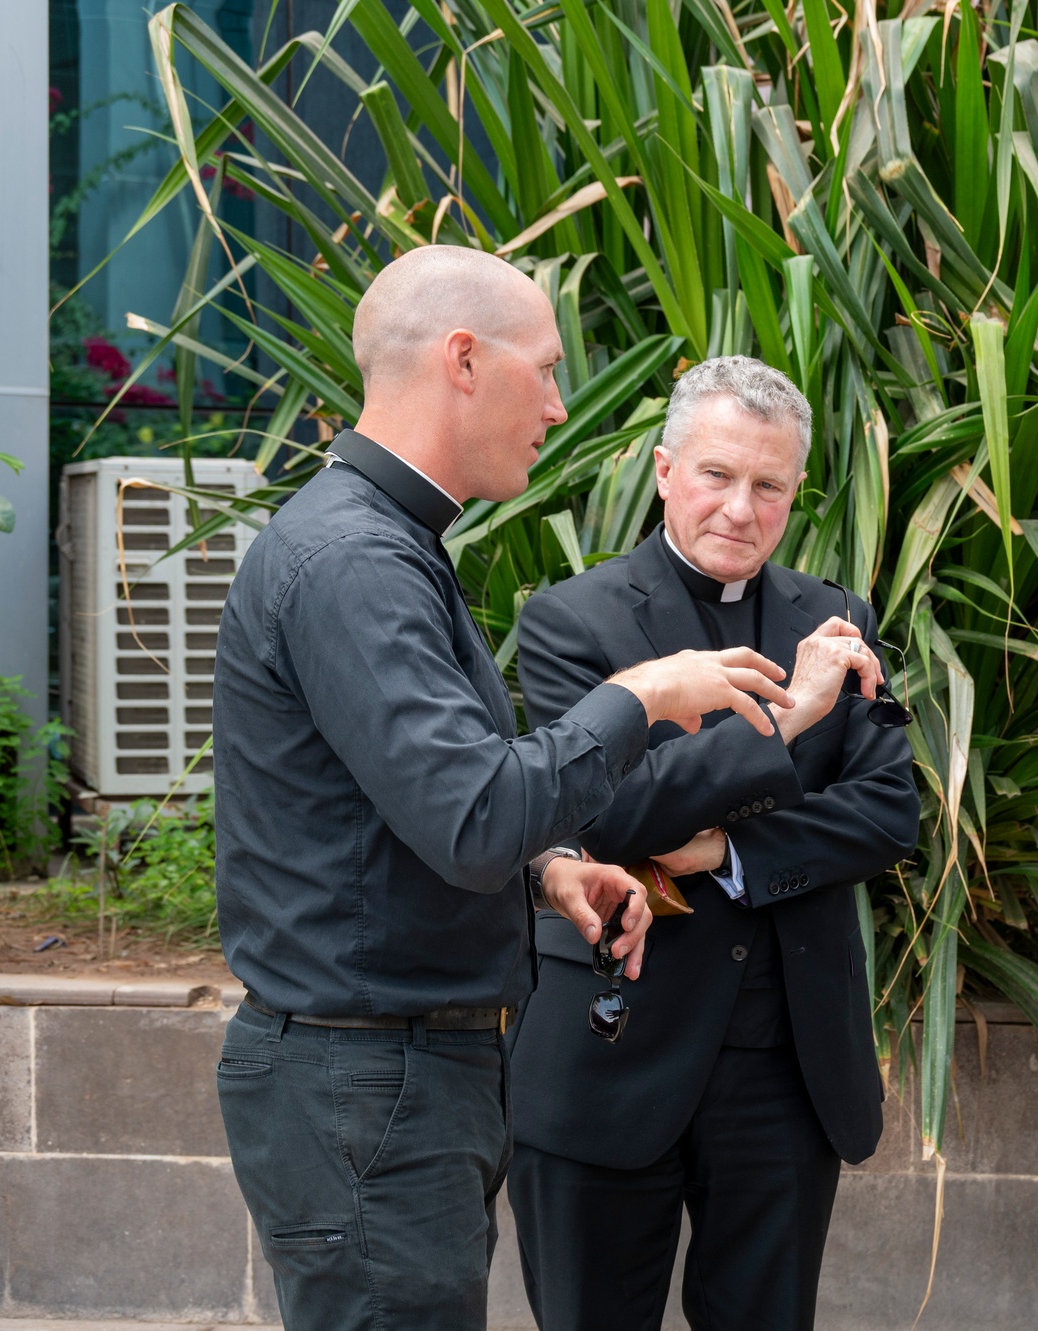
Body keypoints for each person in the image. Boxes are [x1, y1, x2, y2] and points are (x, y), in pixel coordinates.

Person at [212, 247, 795, 1331]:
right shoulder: (355, 560)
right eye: (546, 368)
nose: (559, 404)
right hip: (370, 1076)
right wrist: (641, 696)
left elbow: (402, 815)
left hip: (384, 1075)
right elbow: (473, 814)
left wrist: (548, 870)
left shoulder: (381, 544)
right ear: (464, 361)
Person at [504, 356, 921, 1331]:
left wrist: (725, 853)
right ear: (661, 469)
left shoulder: (836, 619)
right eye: (715, 474)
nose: (740, 507)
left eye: (767, 484)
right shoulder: (571, 620)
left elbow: (884, 811)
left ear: (794, 493)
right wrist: (792, 716)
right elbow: (610, 816)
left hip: (784, 1066)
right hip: (610, 1051)